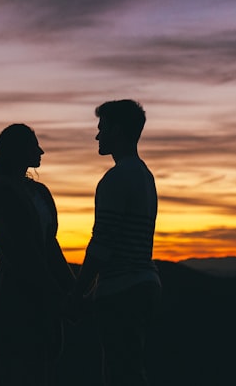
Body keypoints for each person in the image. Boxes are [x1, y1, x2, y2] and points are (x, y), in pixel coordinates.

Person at [70, 99, 160, 386]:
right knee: (131, 369)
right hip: (144, 284)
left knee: (120, 375)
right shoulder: (145, 176)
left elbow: (102, 245)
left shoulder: (116, 178)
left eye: (102, 128)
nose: (97, 135)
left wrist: (77, 293)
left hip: (122, 291)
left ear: (118, 131)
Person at [0, 123, 75, 386]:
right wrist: (59, 295)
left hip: (41, 293)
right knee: (16, 368)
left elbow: (50, 246)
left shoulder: (39, 192)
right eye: (34, 145)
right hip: (14, 294)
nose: (41, 151)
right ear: (17, 150)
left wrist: (73, 288)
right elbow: (22, 253)